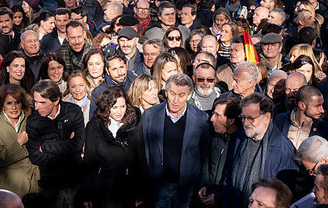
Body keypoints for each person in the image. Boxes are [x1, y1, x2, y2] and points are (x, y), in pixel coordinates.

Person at [139, 73, 210, 208]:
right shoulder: (150, 115)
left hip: (186, 187)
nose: (175, 100)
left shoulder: (201, 119)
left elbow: (204, 155)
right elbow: (144, 151)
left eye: (181, 95)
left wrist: (202, 184)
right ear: (166, 92)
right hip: (157, 186)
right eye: (172, 93)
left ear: (189, 96)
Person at [217, 93, 298, 208]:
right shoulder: (239, 137)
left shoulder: (284, 149)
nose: (245, 123)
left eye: (251, 118)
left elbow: (284, 194)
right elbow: (228, 175)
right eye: (243, 117)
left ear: (267, 118)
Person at [26, 79, 85, 207]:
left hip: (75, 183)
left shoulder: (73, 112)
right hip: (49, 186)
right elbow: (35, 156)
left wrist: (46, 146)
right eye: (35, 102)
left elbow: (77, 145)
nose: (37, 107)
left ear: (56, 100)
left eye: (42, 102)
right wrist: (67, 149)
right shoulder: (33, 121)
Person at [83, 86, 141, 208]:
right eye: (114, 107)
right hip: (104, 189)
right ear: (106, 107)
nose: (119, 111)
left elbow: (141, 159)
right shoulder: (94, 127)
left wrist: (141, 192)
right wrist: (87, 194)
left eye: (122, 106)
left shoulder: (134, 124)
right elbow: (89, 162)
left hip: (128, 187)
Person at [0, 83, 39, 200]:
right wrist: (18, 144)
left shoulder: (32, 120)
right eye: (9, 103)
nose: (14, 107)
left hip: (34, 183)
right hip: (9, 187)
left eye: (17, 102)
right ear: (2, 105)